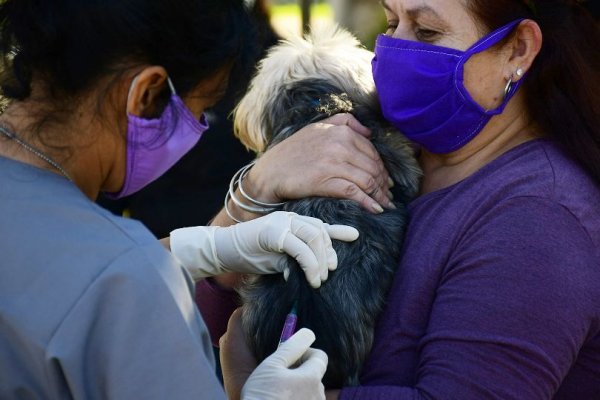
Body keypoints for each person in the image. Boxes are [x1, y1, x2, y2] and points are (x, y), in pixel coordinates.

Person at [190, 0, 600, 399]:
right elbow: (195, 319)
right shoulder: (376, 144)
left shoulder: (537, 219)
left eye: (426, 31)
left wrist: (252, 386)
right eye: (391, 23)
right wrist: (257, 190)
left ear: (518, 49)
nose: (393, 49)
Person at [0, 0, 362, 399]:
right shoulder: (125, 283)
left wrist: (185, 251)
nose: (200, 130)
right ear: (147, 93)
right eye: (201, 111)